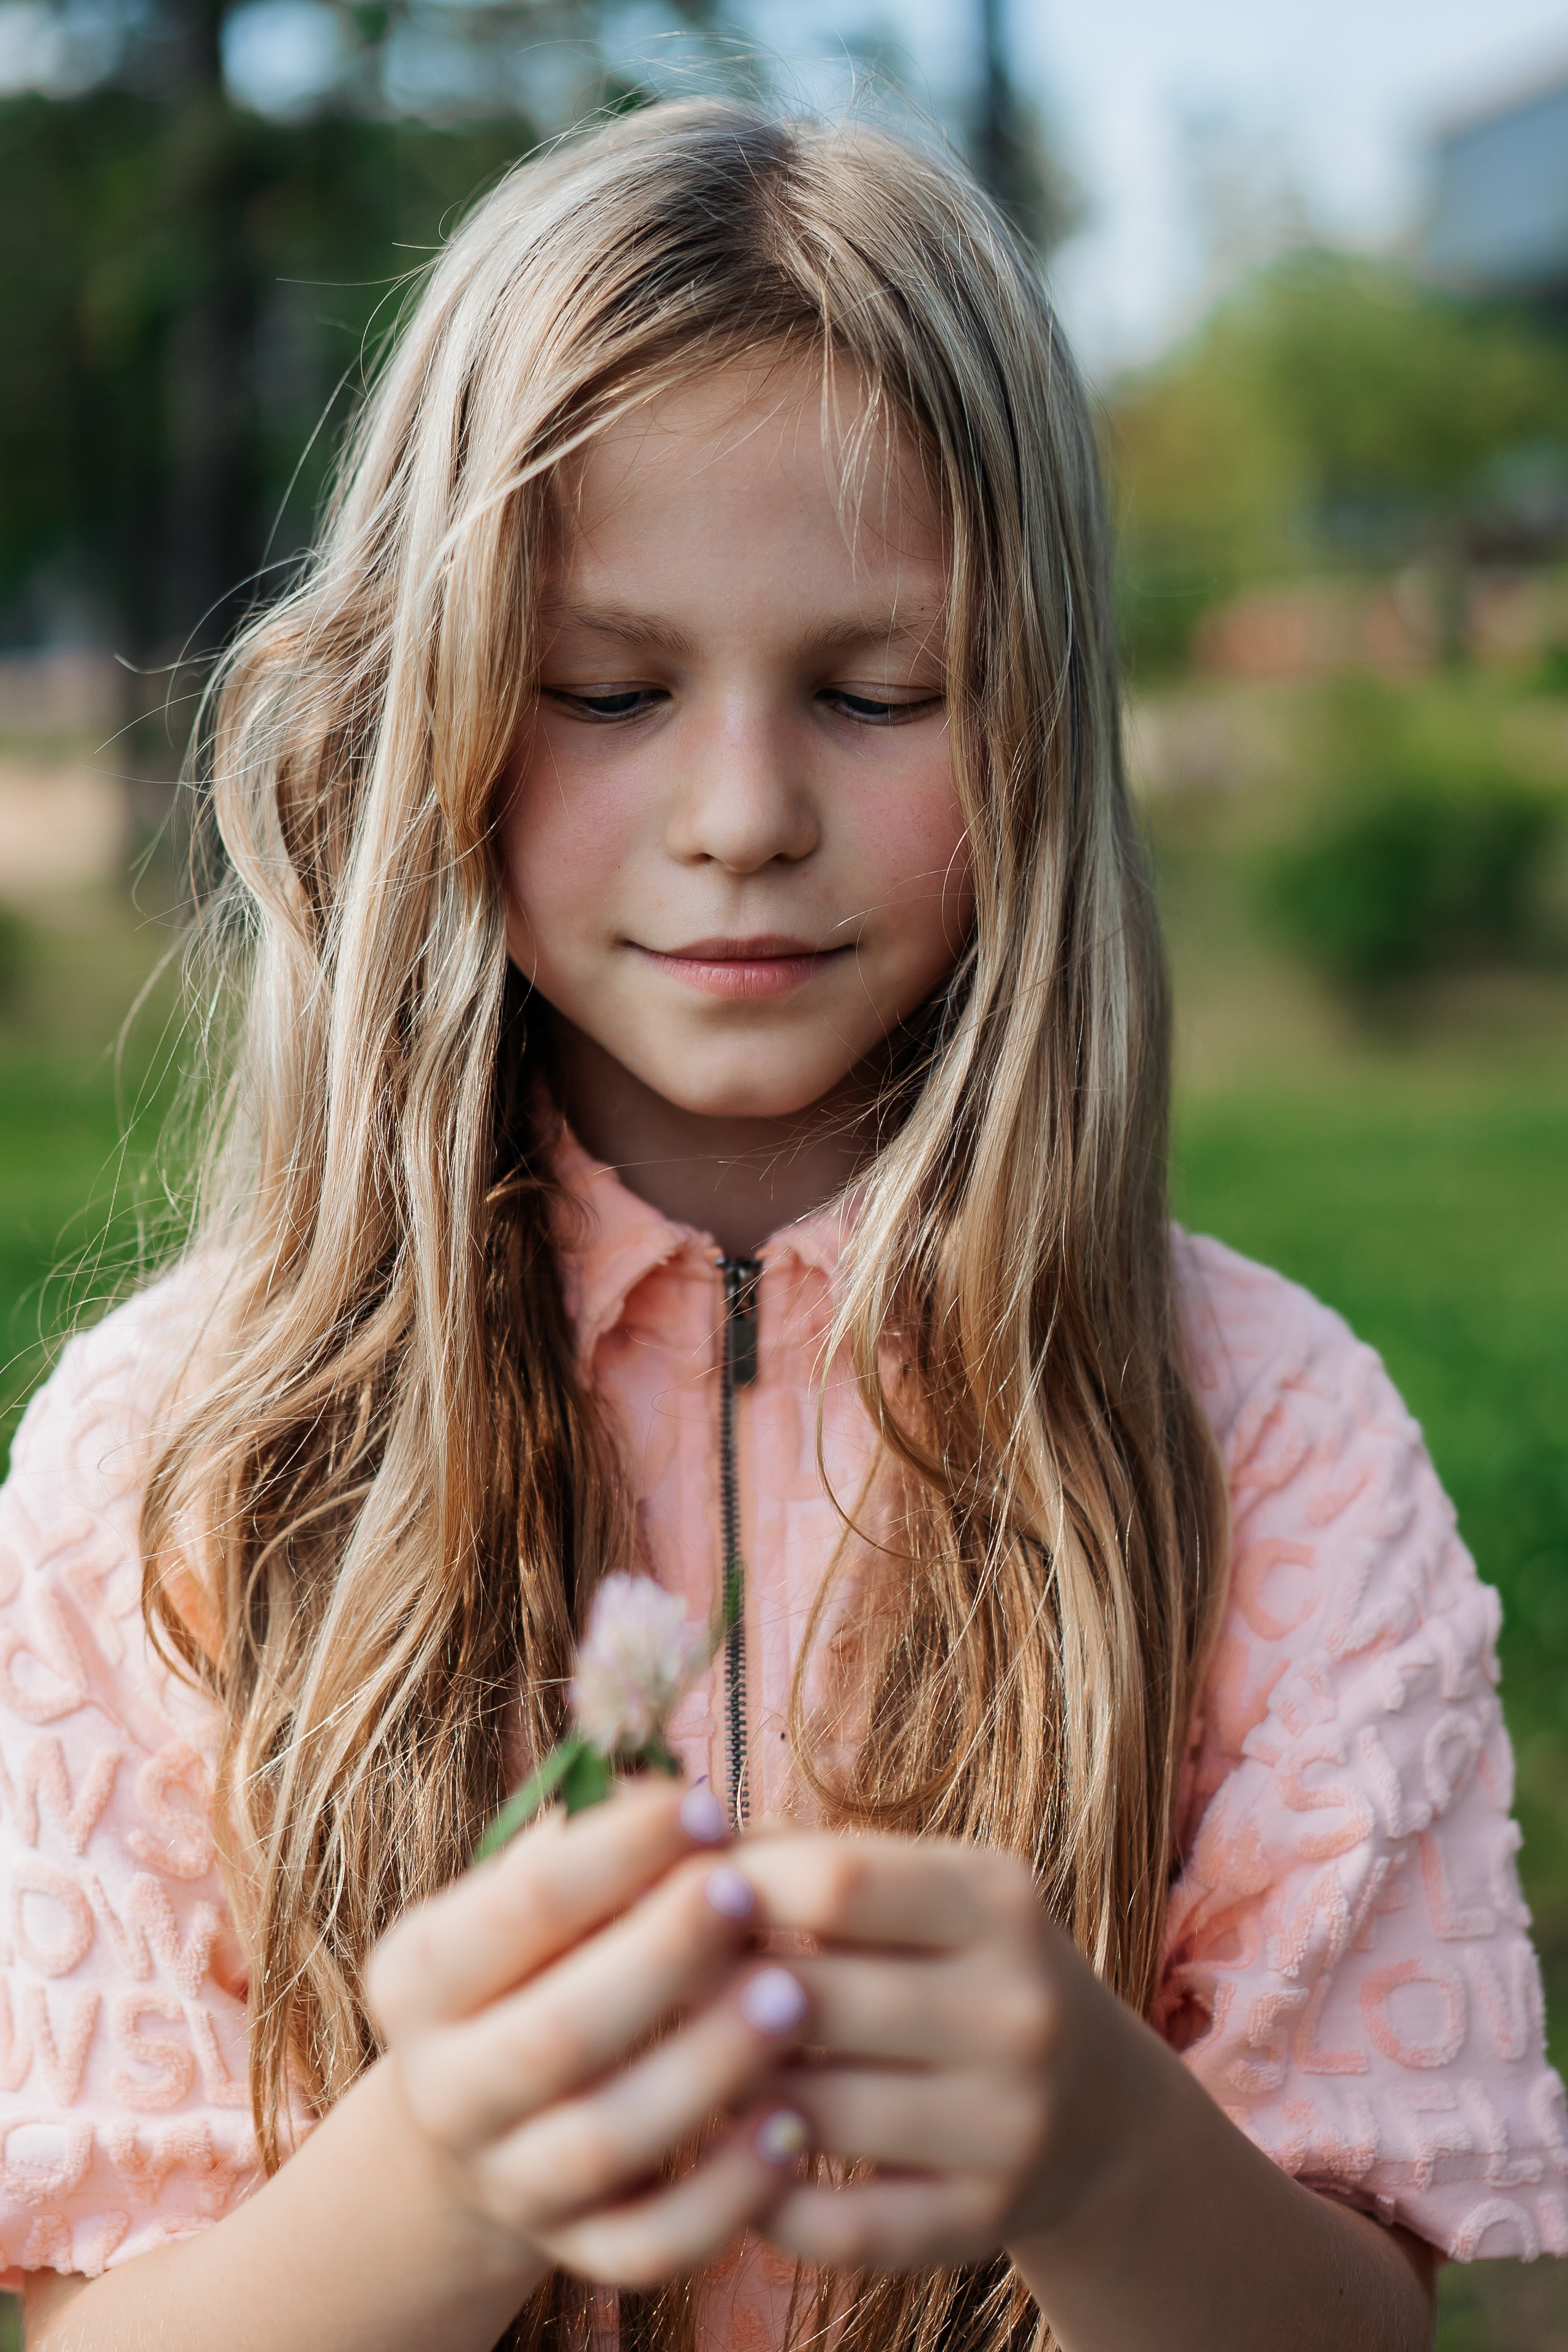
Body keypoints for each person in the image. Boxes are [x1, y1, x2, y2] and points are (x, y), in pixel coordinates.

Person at [0, 99, 1560, 2352]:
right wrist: (438, 2188)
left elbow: (1359, 2323)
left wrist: (1101, 2150)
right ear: (425, 703)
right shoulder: (169, 1461)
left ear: (1034, 717)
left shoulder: (1273, 1440)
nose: (742, 816)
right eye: (612, 691)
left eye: (873, 692)